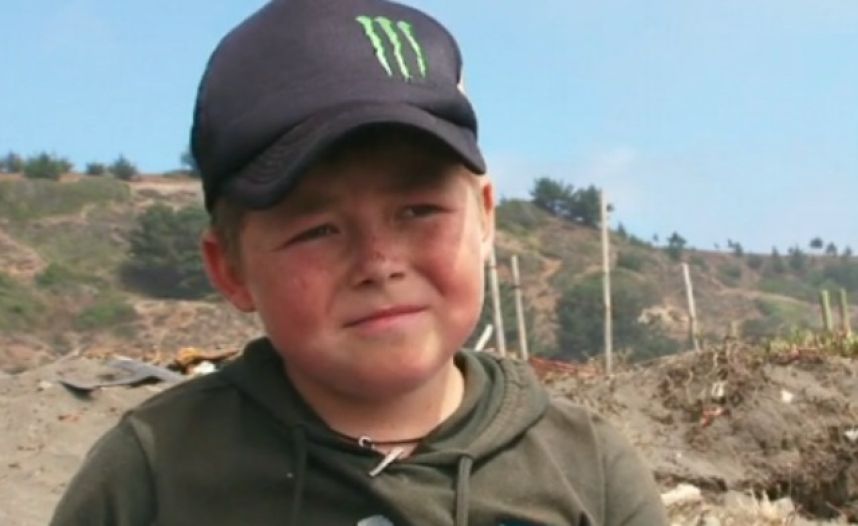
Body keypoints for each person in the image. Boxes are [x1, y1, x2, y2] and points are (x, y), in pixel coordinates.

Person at [51, 0, 668, 524]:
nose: (378, 262)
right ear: (229, 268)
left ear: (485, 217)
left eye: (418, 210)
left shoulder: (589, 470)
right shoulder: (153, 473)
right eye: (317, 230)